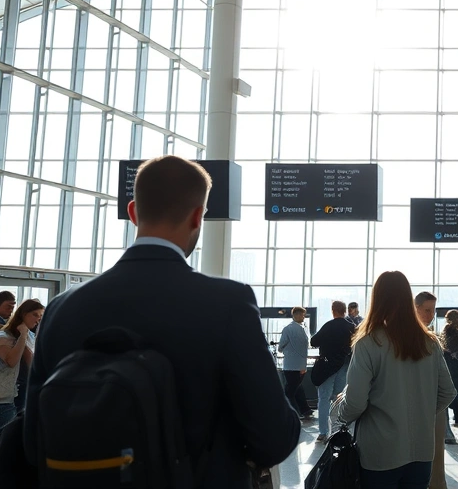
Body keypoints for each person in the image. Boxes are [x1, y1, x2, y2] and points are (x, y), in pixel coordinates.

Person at [24, 155, 300, 486]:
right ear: (198, 216)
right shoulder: (227, 303)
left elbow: (32, 440)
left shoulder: (62, 308)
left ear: (132, 212)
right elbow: (274, 439)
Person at [337, 271, 456, 488]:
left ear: (377, 299)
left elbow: (355, 402)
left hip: (380, 452)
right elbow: (448, 391)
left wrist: (340, 415)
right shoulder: (429, 342)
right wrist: (423, 412)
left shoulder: (368, 343)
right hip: (421, 451)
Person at [414, 291, 454, 489]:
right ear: (416, 309)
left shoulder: (430, 340)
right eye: (427, 310)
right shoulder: (429, 341)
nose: (430, 315)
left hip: (428, 409)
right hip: (433, 407)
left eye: (433, 311)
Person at [0, 299, 43, 433]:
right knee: (3, 440)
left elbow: (33, 363)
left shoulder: (28, 336)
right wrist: (23, 336)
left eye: (41, 316)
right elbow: (11, 361)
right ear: (23, 314)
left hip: (14, 394)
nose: (38, 319)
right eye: (35, 315)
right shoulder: (3, 337)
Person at [310, 300, 355, 443]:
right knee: (340, 398)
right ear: (344, 311)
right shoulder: (351, 327)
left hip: (327, 367)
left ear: (333, 310)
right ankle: (338, 430)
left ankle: (323, 432)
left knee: (324, 398)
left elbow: (314, 341)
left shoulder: (328, 326)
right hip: (344, 366)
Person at [278, 306, 313, 420]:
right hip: (301, 365)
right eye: (302, 315)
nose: (303, 317)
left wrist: (282, 349)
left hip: (290, 365)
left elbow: (281, 346)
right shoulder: (302, 330)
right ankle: (305, 409)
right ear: (296, 315)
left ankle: (293, 413)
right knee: (297, 387)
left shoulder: (288, 329)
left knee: (290, 391)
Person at [441, 310, 458, 426]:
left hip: (448, 363)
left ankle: (450, 417)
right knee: (457, 389)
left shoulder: (447, 330)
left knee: (449, 390)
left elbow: (443, 346)